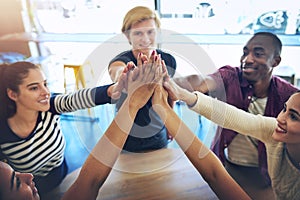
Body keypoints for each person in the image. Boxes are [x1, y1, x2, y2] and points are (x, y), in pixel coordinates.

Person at [0, 52, 164, 200]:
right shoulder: (3, 133)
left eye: (45, 84)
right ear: (13, 94)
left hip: (61, 176)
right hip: (37, 191)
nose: (45, 92)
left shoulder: (49, 107)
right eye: (34, 88)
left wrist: (114, 90)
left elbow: (75, 98)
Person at [174, 31, 299, 186]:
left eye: (258, 54)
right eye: (245, 53)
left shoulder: (288, 96)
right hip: (226, 167)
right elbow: (200, 81)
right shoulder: (230, 76)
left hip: (264, 178)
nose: (247, 59)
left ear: (275, 61)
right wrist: (168, 82)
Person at [163, 78, 300, 200]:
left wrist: (162, 107)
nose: (280, 119)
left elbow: (214, 175)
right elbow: (234, 117)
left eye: (293, 117)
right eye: (284, 109)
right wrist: (183, 95)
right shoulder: (274, 131)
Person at [108, 6, 177, 152]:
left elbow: (170, 94)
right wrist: (128, 76)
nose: (145, 39)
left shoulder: (168, 60)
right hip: (127, 138)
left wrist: (171, 125)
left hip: (159, 136)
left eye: (150, 32)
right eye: (138, 33)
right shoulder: (121, 61)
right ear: (128, 36)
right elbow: (117, 72)